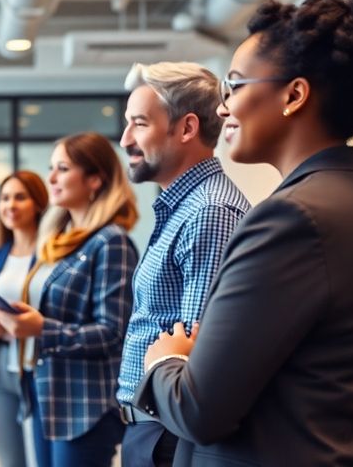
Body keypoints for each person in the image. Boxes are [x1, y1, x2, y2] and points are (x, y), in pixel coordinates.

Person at [136, 0, 353, 466]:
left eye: (234, 86)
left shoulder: (292, 219)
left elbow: (197, 410)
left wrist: (163, 360)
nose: (223, 109)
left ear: (293, 95)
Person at [116, 61, 250, 466]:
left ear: (187, 128)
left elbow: (197, 350)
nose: (125, 139)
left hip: (168, 434)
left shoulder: (210, 212)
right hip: (153, 427)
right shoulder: (184, 207)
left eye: (140, 124)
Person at [0, 132, 139, 466]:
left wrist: (41, 328)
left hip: (84, 407)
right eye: (51, 168)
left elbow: (113, 333)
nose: (52, 179)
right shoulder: (60, 239)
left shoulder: (111, 242)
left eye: (63, 169)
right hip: (47, 395)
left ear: (95, 179)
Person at [0, 170, 48, 467]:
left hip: (38, 364)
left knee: (44, 459)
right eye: (5, 198)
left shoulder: (52, 253)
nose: (10, 205)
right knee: (10, 461)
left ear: (38, 204)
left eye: (20, 197)